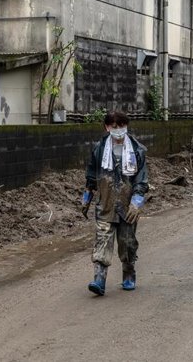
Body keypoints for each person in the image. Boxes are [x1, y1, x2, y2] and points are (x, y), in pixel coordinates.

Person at [81, 110, 148, 296]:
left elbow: (142, 180)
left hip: (127, 206)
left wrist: (136, 203)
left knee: (127, 243)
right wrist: (86, 198)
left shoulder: (137, 150)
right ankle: (99, 280)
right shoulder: (99, 149)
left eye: (120, 126)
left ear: (126, 126)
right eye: (113, 126)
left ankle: (128, 273)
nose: (117, 129)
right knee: (102, 240)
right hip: (105, 204)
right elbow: (91, 176)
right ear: (107, 127)